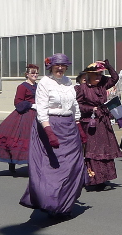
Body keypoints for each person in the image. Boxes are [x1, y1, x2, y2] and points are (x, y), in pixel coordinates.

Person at [19, 53, 87, 219]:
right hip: (50, 125)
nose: (61, 68)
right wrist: (49, 132)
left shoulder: (68, 82)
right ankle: (50, 203)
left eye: (64, 66)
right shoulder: (44, 83)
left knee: (72, 167)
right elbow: (41, 109)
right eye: (58, 65)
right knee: (53, 169)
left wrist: (79, 126)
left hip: (69, 127)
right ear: (51, 66)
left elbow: (74, 106)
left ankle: (64, 203)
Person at [0, 64, 40, 174]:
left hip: (37, 114)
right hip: (25, 115)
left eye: (36, 73)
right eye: (32, 73)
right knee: (22, 138)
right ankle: (13, 162)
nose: (35, 75)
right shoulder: (22, 86)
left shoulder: (38, 86)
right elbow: (17, 102)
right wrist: (31, 105)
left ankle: (35, 164)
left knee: (37, 139)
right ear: (27, 74)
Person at [76, 60, 122, 191]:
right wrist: (91, 109)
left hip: (103, 122)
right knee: (93, 152)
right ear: (88, 75)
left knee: (105, 150)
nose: (99, 77)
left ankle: (104, 178)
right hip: (90, 124)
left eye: (100, 74)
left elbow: (115, 78)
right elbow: (78, 105)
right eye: (96, 75)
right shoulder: (82, 88)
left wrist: (108, 66)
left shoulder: (103, 85)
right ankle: (93, 179)